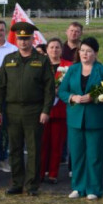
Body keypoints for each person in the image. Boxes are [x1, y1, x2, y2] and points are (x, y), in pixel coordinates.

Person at [0, 22, 55, 196]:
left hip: (34, 111)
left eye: (26, 39)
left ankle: (32, 185)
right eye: (20, 39)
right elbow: (1, 88)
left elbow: (49, 89)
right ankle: (16, 183)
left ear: (32, 39)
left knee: (34, 149)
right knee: (14, 149)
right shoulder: (9, 59)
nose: (23, 42)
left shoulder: (42, 60)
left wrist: (46, 110)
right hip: (12, 110)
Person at [58, 37, 103, 200]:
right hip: (75, 119)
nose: (85, 54)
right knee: (77, 155)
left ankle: (94, 188)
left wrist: (93, 96)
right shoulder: (73, 69)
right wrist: (73, 97)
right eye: (82, 50)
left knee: (94, 155)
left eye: (89, 51)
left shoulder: (102, 70)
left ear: (95, 53)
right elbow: (62, 91)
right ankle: (78, 186)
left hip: (95, 119)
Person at [40, 38, 71, 184]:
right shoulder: (40, 64)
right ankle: (40, 172)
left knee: (57, 144)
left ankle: (53, 173)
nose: (54, 50)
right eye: (51, 47)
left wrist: (61, 90)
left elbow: (73, 85)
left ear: (61, 49)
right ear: (47, 49)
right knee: (42, 143)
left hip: (60, 110)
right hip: (42, 110)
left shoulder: (69, 66)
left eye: (57, 47)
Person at [0, 20, 18, 174]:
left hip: (6, 95)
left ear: (5, 31)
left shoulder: (13, 49)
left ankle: (2, 159)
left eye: (1, 30)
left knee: (4, 130)